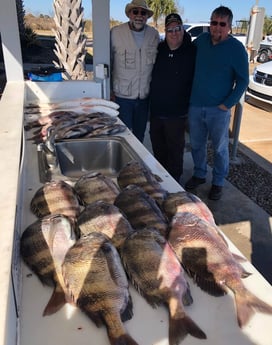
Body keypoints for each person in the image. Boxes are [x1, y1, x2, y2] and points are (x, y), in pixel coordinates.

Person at [185, 6, 249, 200]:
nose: (217, 28)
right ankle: (200, 174)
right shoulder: (201, 42)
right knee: (197, 144)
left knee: (220, 148)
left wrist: (227, 104)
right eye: (214, 23)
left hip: (218, 110)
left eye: (222, 24)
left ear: (229, 26)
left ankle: (218, 181)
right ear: (210, 23)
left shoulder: (236, 49)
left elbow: (243, 80)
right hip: (195, 106)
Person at [149, 13, 196, 182]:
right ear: (166, 31)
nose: (174, 33)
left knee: (175, 152)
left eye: (178, 28)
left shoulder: (192, 51)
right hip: (156, 113)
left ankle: (175, 185)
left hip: (177, 115)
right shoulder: (159, 49)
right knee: (158, 151)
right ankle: (161, 182)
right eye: (170, 30)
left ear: (183, 29)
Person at [110, 0, 160, 142]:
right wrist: (109, 91)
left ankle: (136, 164)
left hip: (144, 98)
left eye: (143, 12)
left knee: (139, 136)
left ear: (147, 16)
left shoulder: (154, 34)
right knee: (122, 136)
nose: (139, 15)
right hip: (122, 97)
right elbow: (108, 62)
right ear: (129, 14)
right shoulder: (115, 33)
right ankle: (123, 163)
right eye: (135, 11)